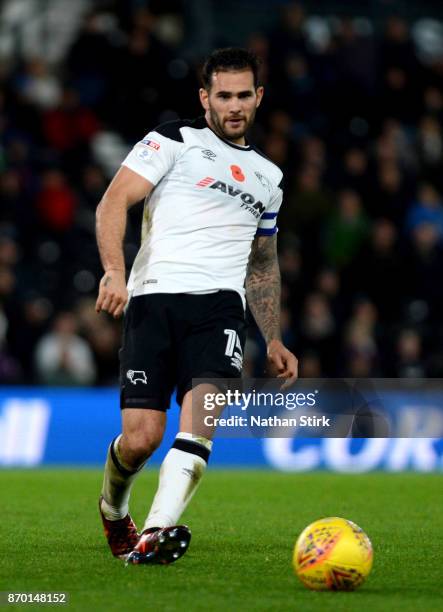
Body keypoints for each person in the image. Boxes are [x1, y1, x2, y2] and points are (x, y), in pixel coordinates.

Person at [95, 47, 298, 565]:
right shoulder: (174, 139)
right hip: (155, 298)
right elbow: (114, 201)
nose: (234, 105)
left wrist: (272, 336)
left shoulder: (269, 179)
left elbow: (262, 263)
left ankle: (154, 536)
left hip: (221, 312)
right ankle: (114, 511)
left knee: (199, 424)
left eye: (244, 95)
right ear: (205, 97)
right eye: (224, 95)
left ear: (259, 97)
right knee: (140, 440)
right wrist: (115, 272)